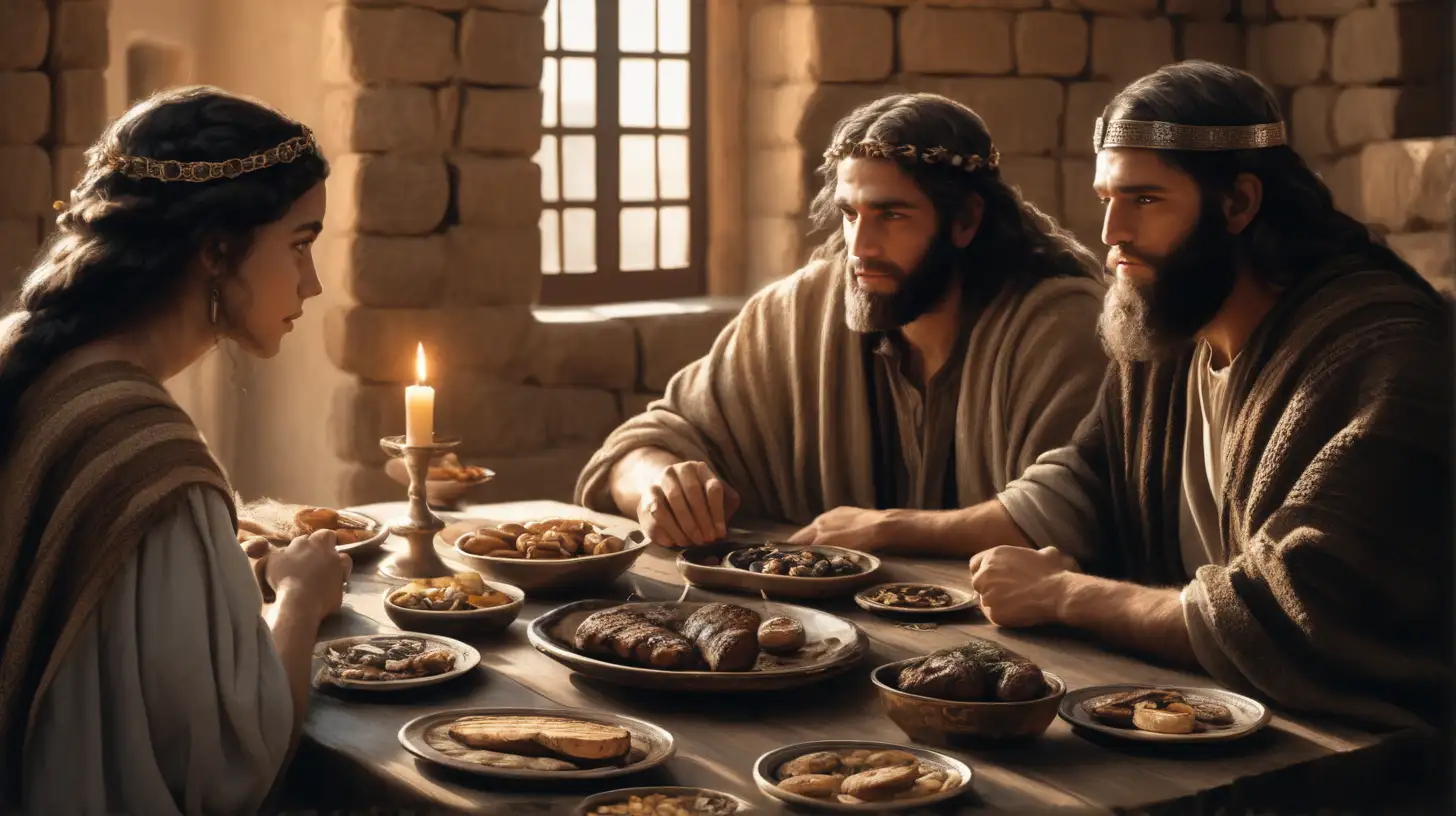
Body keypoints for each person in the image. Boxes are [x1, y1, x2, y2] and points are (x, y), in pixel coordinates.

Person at [875, 62, 1452, 730]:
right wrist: (890, 526)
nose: (1111, 233)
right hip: (1197, 705)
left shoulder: (1381, 350)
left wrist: (1065, 594)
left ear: (1239, 203)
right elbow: (1089, 483)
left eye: (1144, 200)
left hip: (1366, 748)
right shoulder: (1175, 319)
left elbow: (1298, 605)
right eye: (1106, 199)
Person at [0, 86, 351, 813]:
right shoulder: (148, 456)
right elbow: (229, 768)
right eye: (300, 245)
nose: (312, 284)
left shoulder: (33, 366)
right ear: (218, 251)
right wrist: (300, 597)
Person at [575, 93, 1109, 546]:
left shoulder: (1058, 325)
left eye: (892, 215)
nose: (862, 246)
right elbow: (630, 451)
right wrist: (657, 486)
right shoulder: (796, 314)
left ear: (966, 219)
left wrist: (887, 530)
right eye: (850, 214)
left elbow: (1073, 511)